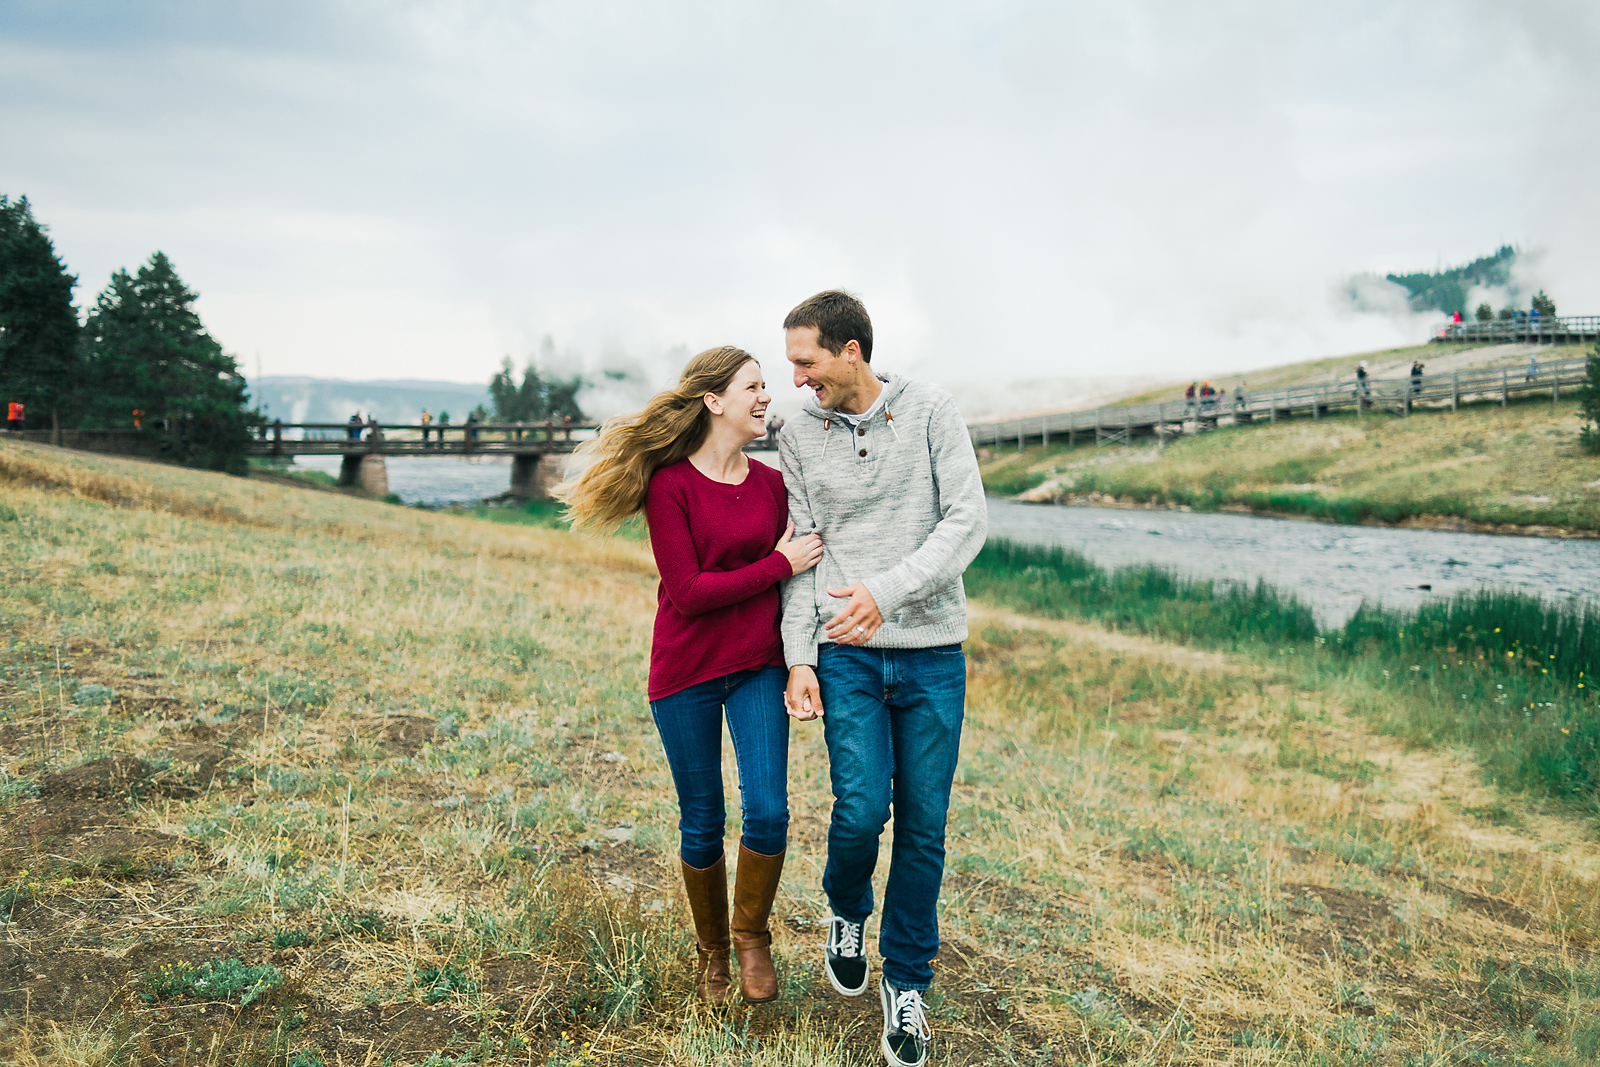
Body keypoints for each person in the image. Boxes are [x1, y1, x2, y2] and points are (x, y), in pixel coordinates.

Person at [555, 346, 822, 1005]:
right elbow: (691, 590)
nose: (767, 396)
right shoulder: (670, 484)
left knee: (769, 809)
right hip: (686, 672)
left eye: (767, 386)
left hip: (757, 667)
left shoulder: (770, 483)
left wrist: (798, 659)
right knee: (702, 817)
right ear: (714, 400)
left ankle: (751, 935)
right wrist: (779, 565)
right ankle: (713, 953)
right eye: (753, 386)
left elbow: (799, 574)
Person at [779, 290, 987, 1067]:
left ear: (851, 351)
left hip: (933, 652)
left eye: (807, 361)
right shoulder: (798, 433)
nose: (797, 378)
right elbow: (804, 547)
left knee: (925, 826)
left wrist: (887, 591)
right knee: (862, 808)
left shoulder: (932, 410)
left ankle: (906, 985)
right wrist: (799, 654)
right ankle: (846, 908)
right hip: (848, 654)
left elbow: (966, 520)